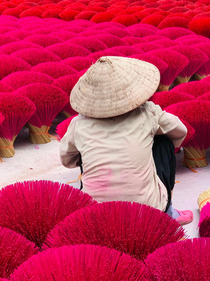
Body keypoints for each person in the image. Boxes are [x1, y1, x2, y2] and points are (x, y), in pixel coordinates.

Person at [59, 56, 193, 225]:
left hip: (94, 213)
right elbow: (180, 131)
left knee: (82, 157)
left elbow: (66, 159)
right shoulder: (148, 112)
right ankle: (167, 212)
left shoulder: (78, 123)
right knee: (164, 143)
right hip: (149, 210)